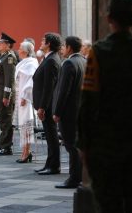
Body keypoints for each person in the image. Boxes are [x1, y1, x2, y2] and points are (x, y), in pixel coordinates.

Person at [78, 0, 132, 213]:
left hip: (104, 141)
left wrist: (84, 143)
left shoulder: (99, 51)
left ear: (109, 18)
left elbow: (88, 101)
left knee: (108, 204)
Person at [52, 36, 86, 188]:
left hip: (68, 112)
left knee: (70, 145)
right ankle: (80, 176)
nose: (62, 49)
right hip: (80, 110)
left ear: (70, 48)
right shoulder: (84, 61)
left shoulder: (69, 63)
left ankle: (74, 178)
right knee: (76, 145)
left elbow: (63, 91)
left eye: (64, 46)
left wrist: (57, 112)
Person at [32, 32, 62, 175]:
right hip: (46, 104)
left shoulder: (51, 60)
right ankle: (49, 163)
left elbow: (49, 86)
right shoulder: (48, 58)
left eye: (43, 40)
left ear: (49, 43)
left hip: (48, 105)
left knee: (51, 135)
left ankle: (54, 165)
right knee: (49, 135)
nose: (41, 42)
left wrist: (42, 107)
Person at [0, 32, 17, 156]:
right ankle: (3, 145)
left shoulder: (9, 58)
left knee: (6, 122)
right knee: (2, 121)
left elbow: (9, 79)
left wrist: (7, 96)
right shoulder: (2, 56)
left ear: (8, 45)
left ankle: (6, 147)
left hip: (4, 95)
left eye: (1, 43)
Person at [13, 40, 38, 163]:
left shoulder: (32, 63)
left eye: (20, 48)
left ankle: (27, 152)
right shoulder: (23, 62)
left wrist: (24, 96)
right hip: (20, 98)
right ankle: (24, 151)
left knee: (26, 126)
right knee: (22, 126)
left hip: (26, 99)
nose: (18, 50)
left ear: (26, 51)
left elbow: (31, 82)